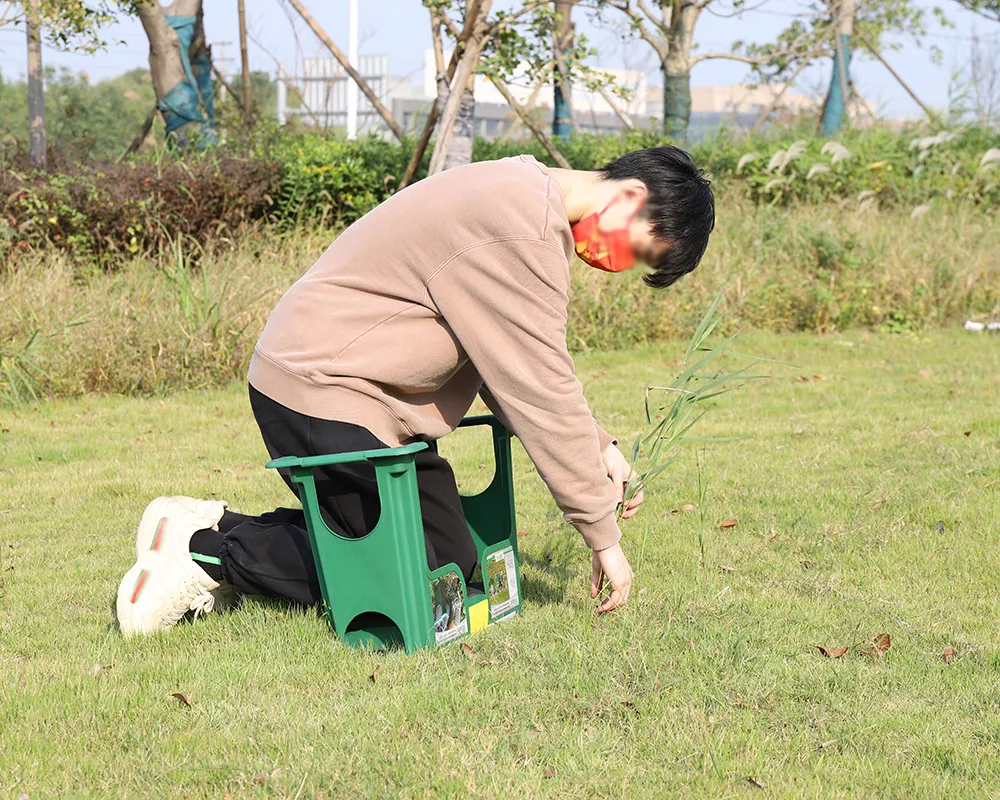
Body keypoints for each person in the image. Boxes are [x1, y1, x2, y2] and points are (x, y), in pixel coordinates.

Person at [115, 146, 715, 636]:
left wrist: (600, 447)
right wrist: (602, 537)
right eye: (638, 249)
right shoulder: (520, 227)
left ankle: (212, 523)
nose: (617, 264)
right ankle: (202, 554)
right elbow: (538, 384)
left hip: (360, 399)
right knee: (419, 581)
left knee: (453, 566)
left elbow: (515, 371)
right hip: (321, 387)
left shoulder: (521, 195)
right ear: (632, 197)